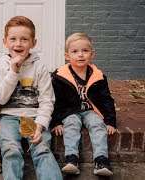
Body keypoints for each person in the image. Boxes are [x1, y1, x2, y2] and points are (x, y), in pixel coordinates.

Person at [0, 16, 62, 180]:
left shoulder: (40, 67)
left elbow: (47, 101)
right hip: (8, 116)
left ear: (33, 43)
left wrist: (40, 125)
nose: (18, 44)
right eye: (13, 39)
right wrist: (13, 72)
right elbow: (0, 99)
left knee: (42, 148)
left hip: (35, 116)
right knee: (10, 149)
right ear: (5, 41)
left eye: (24, 39)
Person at [50, 32, 117, 176]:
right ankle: (71, 159)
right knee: (71, 125)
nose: (80, 55)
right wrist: (56, 122)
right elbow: (56, 101)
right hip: (70, 111)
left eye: (84, 51)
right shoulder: (60, 77)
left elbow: (106, 99)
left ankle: (101, 160)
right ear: (67, 55)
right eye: (75, 51)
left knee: (98, 125)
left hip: (91, 110)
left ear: (92, 54)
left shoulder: (97, 76)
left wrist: (110, 121)